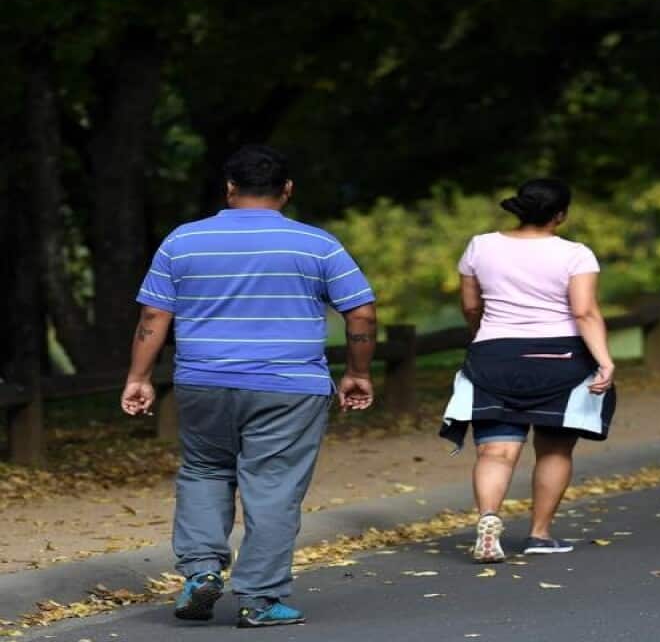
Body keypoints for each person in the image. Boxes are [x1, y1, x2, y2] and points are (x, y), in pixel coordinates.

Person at [121, 145, 377, 628]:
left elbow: (155, 314)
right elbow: (360, 312)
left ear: (230, 188)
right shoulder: (317, 245)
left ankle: (200, 571)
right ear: (287, 190)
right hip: (290, 386)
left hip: (204, 381)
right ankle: (259, 600)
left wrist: (138, 377)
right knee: (274, 487)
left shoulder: (182, 241)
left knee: (203, 471)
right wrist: (358, 372)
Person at [440, 178, 617, 563]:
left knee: (495, 451)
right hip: (561, 360)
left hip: (494, 357)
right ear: (561, 215)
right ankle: (539, 533)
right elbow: (584, 311)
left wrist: (483, 340)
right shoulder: (576, 254)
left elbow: (471, 307)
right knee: (554, 448)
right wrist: (604, 360)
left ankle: (488, 518)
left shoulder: (480, 246)